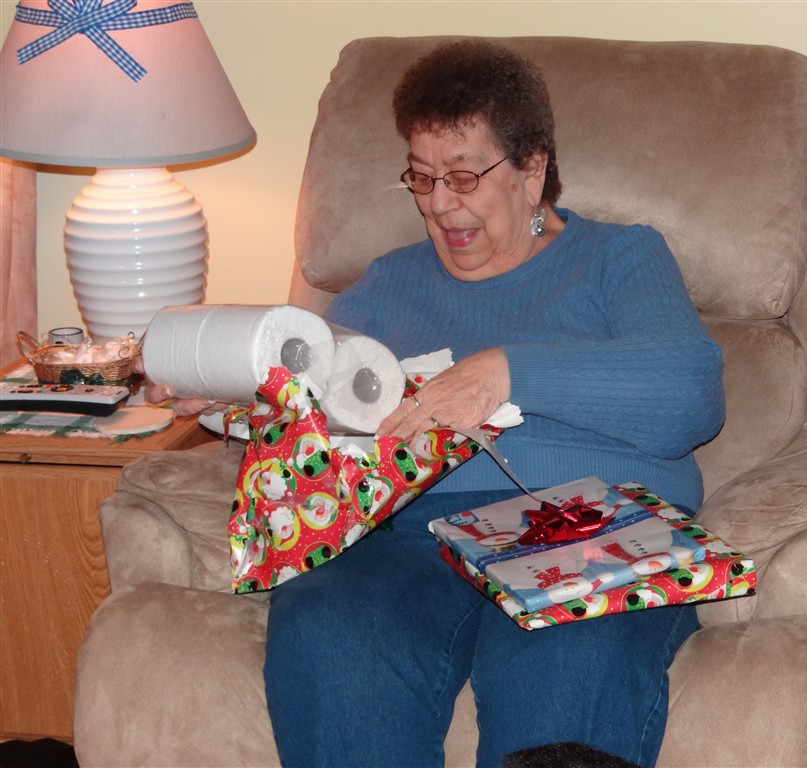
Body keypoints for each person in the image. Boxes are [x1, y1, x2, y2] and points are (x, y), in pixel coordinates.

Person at [145, 40, 724, 768]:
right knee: (329, 632)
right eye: (421, 178)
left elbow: (691, 392)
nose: (440, 203)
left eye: (462, 176)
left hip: (587, 523)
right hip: (402, 534)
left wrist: (506, 372)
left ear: (532, 169)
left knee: (564, 661)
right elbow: (319, 410)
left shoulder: (620, 257)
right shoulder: (387, 283)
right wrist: (236, 395)